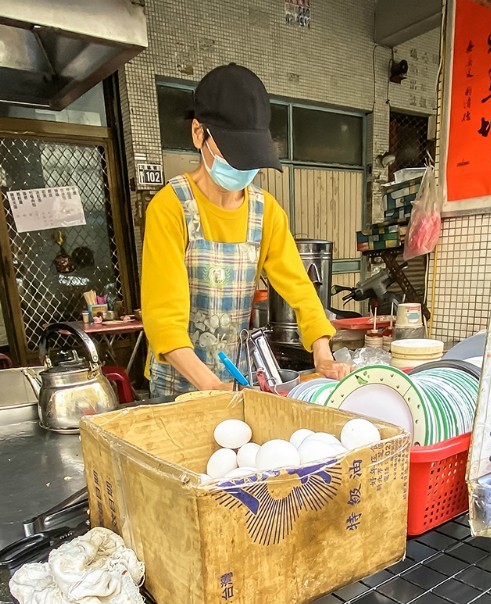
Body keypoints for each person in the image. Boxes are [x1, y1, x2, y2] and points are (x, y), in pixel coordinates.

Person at [140, 64, 350, 396]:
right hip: (178, 383)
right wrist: (211, 387)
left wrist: (322, 353)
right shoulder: (170, 208)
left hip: (232, 374)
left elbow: (301, 290)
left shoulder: (265, 211)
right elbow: (162, 318)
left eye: (249, 156)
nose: (241, 166)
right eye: (233, 152)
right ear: (199, 134)